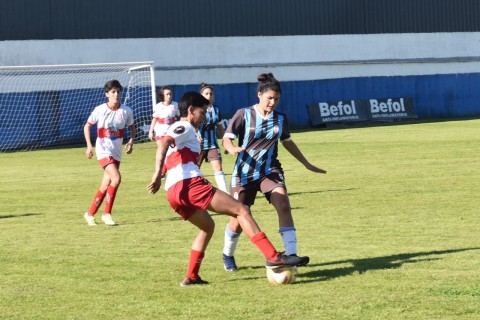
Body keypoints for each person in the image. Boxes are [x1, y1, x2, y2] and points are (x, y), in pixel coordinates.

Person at [147, 91, 309, 286]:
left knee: (207, 226)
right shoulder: (184, 126)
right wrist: (156, 174)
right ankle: (273, 256)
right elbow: (164, 142)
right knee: (242, 210)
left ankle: (191, 276)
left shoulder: (188, 132)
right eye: (203, 112)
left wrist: (162, 173)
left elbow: (172, 155)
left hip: (174, 192)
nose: (205, 117)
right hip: (189, 184)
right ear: (191, 110)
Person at [221, 73, 327, 272]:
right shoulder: (243, 114)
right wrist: (232, 147)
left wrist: (306, 163)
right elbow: (226, 138)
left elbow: (287, 142)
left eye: (276, 99)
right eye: (269, 98)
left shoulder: (280, 119)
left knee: (283, 203)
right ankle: (228, 254)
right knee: (237, 220)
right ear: (259, 94)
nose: (272, 102)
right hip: (244, 172)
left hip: (270, 171)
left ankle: (291, 254)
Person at [83, 79, 135, 226]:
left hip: (117, 152)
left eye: (118, 91)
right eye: (113, 92)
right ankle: (107, 214)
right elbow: (87, 126)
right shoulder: (100, 109)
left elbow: (132, 128)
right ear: (107, 94)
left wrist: (131, 141)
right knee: (117, 178)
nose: (116, 94)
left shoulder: (126, 111)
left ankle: (90, 213)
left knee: (105, 186)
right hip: (103, 151)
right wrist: (89, 146)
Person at [197, 83, 228, 192]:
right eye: (206, 94)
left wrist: (226, 141)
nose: (209, 96)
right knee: (195, 170)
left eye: (211, 94)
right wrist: (196, 135)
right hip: (198, 145)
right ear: (201, 95)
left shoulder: (217, 110)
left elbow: (220, 127)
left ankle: (226, 194)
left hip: (212, 144)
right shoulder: (197, 109)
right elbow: (191, 125)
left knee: (218, 168)